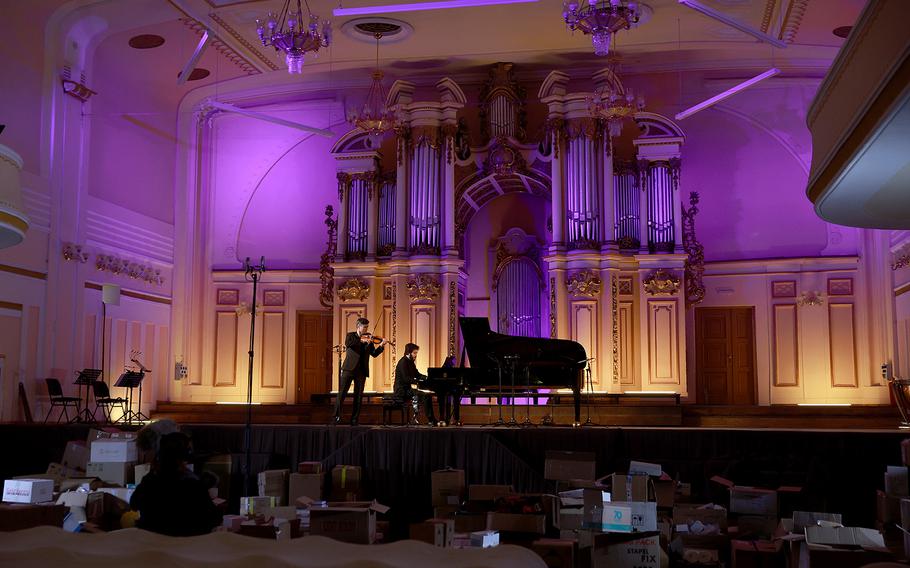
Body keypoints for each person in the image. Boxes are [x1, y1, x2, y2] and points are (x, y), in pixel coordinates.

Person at [130, 432, 222, 536]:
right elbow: (214, 518)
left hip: (151, 543)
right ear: (184, 457)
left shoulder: (149, 480)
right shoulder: (192, 484)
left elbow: (133, 504)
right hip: (185, 544)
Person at [334, 317, 386, 425]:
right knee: (342, 394)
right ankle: (337, 417)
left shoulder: (369, 340)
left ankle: (354, 419)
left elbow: (374, 354)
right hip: (349, 369)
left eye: (367, 327)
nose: (366, 329)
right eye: (364, 327)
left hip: (361, 371)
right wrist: (361, 340)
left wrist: (381, 346)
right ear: (358, 326)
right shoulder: (350, 336)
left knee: (358, 396)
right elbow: (349, 344)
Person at [393, 343, 437, 425]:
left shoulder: (410, 362)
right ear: (408, 353)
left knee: (427, 395)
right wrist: (418, 381)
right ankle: (431, 420)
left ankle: (431, 419)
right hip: (401, 391)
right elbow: (406, 379)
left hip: (407, 389)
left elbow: (417, 374)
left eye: (416, 353)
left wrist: (427, 378)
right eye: (414, 353)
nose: (416, 355)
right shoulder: (403, 362)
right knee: (425, 396)